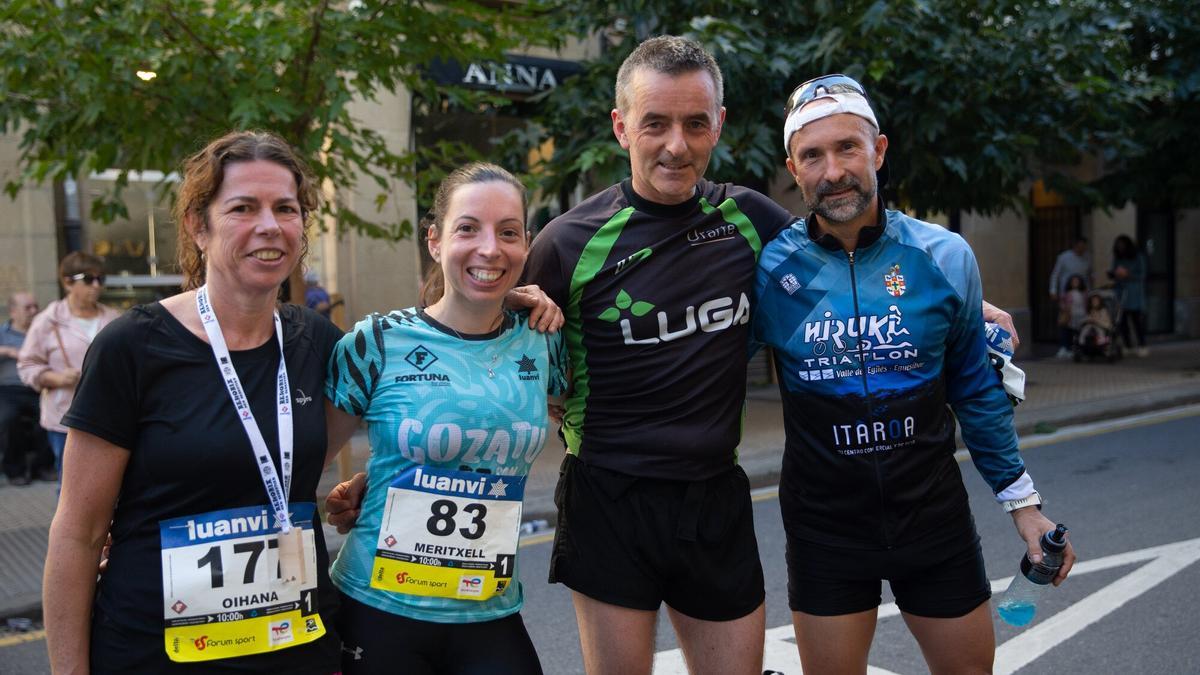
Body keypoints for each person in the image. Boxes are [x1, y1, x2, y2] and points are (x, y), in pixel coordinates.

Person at [328, 36, 1021, 675]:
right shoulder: (569, 241)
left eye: (695, 124)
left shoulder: (752, 219)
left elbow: (848, 259)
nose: (675, 145)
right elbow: (479, 343)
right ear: (621, 126)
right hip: (608, 497)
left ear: (718, 124)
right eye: (654, 123)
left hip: (714, 497)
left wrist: (969, 301)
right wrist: (403, 473)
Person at [756, 73, 1075, 674]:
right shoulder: (770, 268)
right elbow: (701, 358)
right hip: (826, 527)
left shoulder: (945, 255)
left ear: (878, 150)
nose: (833, 171)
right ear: (793, 169)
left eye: (848, 147)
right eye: (812, 156)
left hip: (932, 519)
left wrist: (1025, 507)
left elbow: (978, 395)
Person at [43, 131, 345, 673]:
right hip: (156, 651)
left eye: (286, 208)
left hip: (293, 647)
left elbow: (312, 457)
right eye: (242, 208)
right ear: (196, 226)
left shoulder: (317, 341)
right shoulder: (132, 346)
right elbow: (78, 531)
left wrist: (509, 303)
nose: (270, 225)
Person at [323, 162, 566, 674]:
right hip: (378, 607)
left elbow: (584, 425)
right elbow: (301, 468)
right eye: (467, 228)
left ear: (526, 244)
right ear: (434, 241)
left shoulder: (545, 339)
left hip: (489, 607)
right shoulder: (375, 343)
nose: (490, 248)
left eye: (508, 232)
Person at [18, 252, 120, 478]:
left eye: (100, 279)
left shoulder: (114, 318)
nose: (96, 286)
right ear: (67, 282)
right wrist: (56, 378)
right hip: (66, 416)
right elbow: (27, 365)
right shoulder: (47, 321)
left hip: (112, 415)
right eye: (88, 279)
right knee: (70, 484)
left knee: (110, 482)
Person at [1, 291, 54, 485]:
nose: (33, 311)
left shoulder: (44, 333)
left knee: (50, 417)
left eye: (35, 306)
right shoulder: (2, 333)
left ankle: (44, 467)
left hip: (38, 387)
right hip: (7, 389)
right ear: (13, 312)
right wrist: (7, 350)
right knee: (8, 419)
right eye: (27, 307)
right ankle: (15, 471)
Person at [1109, 234, 1148, 357]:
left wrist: (1128, 274)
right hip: (1121, 294)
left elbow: (1142, 275)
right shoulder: (1118, 258)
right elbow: (1114, 271)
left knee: (1137, 321)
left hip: (1134, 294)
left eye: (1122, 245)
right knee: (1122, 321)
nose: (1120, 247)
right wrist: (1114, 274)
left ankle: (1142, 345)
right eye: (1118, 245)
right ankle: (1128, 345)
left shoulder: (1137, 257)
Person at [1057, 274, 1088, 359]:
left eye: (1077, 282)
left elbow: (1086, 305)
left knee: (1079, 332)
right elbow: (1063, 304)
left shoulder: (1084, 294)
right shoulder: (1068, 294)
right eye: (1073, 282)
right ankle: (1066, 348)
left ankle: (1078, 349)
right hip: (1070, 316)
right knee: (1069, 332)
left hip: (1081, 315)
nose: (1075, 283)